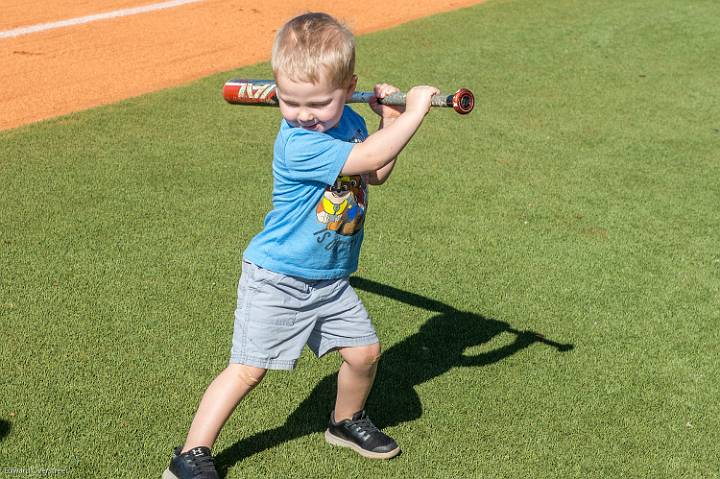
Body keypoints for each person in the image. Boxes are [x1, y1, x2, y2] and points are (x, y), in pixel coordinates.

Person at [163, 12, 439, 479]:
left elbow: (376, 171)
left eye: (316, 103)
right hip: (279, 277)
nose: (303, 114)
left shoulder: (350, 122)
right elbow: (371, 155)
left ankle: (345, 421)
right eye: (289, 101)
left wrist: (388, 119)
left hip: (329, 280)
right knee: (248, 370)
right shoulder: (298, 144)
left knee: (365, 354)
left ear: (347, 86)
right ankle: (190, 454)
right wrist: (413, 113)